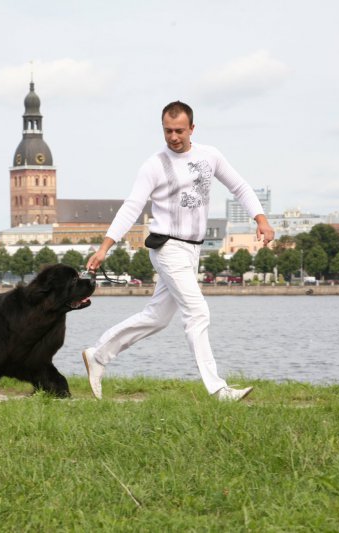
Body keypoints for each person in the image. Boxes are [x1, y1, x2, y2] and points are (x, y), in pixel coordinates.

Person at [82, 100, 275, 401]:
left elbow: (239, 187)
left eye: (179, 131)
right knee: (198, 312)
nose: (173, 137)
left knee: (157, 317)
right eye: (168, 130)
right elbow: (132, 207)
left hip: (193, 250)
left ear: (192, 129)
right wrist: (105, 247)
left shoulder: (210, 156)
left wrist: (260, 219)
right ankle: (218, 390)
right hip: (167, 247)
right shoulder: (153, 165)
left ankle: (98, 355)